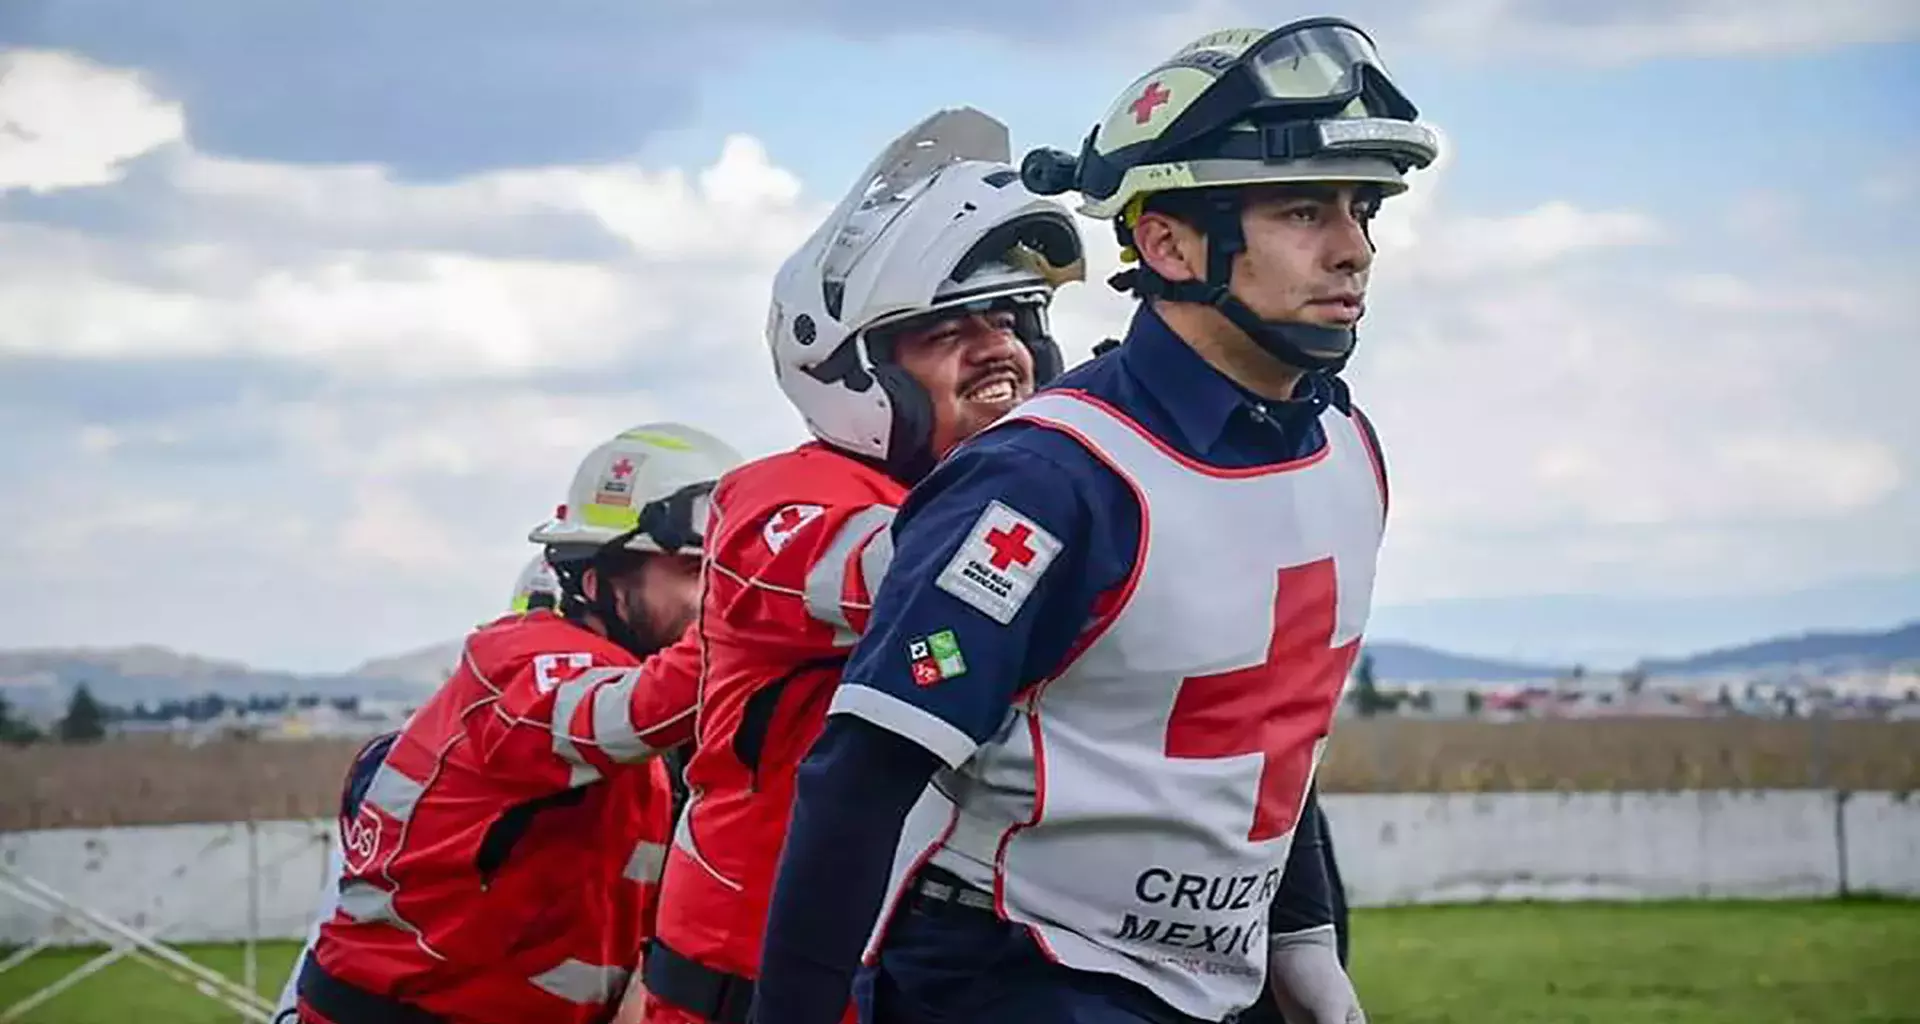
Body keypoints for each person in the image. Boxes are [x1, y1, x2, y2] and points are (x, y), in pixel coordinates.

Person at [756, 17, 1437, 1024]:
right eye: (1304, 211)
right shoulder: (1047, 479)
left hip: (1220, 982)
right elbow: (861, 775)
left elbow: (1268, 734)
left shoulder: (1348, 453)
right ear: (1166, 239)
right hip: (1016, 978)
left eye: (1362, 208)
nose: (1353, 250)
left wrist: (1303, 938)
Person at [636, 108, 1086, 1024]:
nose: (998, 345)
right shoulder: (778, 498)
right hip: (751, 988)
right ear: (857, 372)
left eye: (1012, 317)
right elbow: (903, 576)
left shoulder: (1039, 504)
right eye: (948, 328)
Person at [289, 422, 743, 1024]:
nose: (721, 596)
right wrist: (758, 633)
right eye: (693, 572)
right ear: (595, 578)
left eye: (728, 573)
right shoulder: (526, 666)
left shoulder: (660, 751)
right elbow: (619, 712)